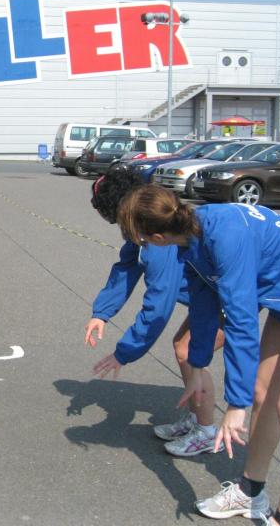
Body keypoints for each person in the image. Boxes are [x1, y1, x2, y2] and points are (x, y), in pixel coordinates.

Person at [118, 186, 280, 526]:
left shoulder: (223, 237)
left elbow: (241, 322)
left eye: (140, 240)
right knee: (262, 393)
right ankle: (251, 492)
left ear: (157, 237)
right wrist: (197, 367)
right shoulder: (190, 239)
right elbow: (203, 307)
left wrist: (235, 406)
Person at [86, 170, 225, 457]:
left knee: (187, 350)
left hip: (225, 295)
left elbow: (159, 305)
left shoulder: (157, 240)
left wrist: (124, 352)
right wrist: (102, 312)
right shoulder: (141, 228)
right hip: (209, 295)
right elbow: (126, 268)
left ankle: (206, 432)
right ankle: (197, 418)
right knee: (183, 347)